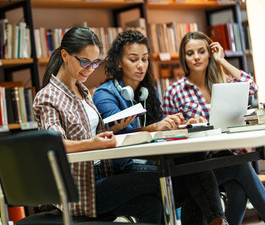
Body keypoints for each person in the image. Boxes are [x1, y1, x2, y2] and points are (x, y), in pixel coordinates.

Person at [93, 29, 228, 225]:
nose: (141, 65)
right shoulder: (105, 95)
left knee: (193, 164)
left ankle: (218, 220)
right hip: (123, 168)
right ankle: (219, 220)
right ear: (119, 62)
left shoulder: (147, 91)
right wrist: (155, 127)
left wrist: (179, 124)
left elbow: (159, 125)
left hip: (150, 160)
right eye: (133, 59)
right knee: (192, 173)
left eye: (145, 59)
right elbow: (118, 137)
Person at [32, 27, 163, 223]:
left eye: (95, 63)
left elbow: (85, 134)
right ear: (65, 55)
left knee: (151, 204)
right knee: (159, 180)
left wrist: (110, 130)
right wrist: (94, 143)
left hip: (101, 175)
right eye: (84, 62)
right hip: (81, 189)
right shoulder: (48, 96)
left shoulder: (83, 91)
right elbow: (55, 145)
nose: (90, 69)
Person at [162, 31, 265, 225]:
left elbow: (252, 87)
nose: (196, 57)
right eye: (190, 53)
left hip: (226, 156)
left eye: (202, 51)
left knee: (238, 190)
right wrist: (186, 125)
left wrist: (222, 61)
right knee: (240, 164)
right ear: (184, 57)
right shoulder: (174, 92)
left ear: (210, 53)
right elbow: (166, 134)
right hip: (198, 168)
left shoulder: (222, 83)